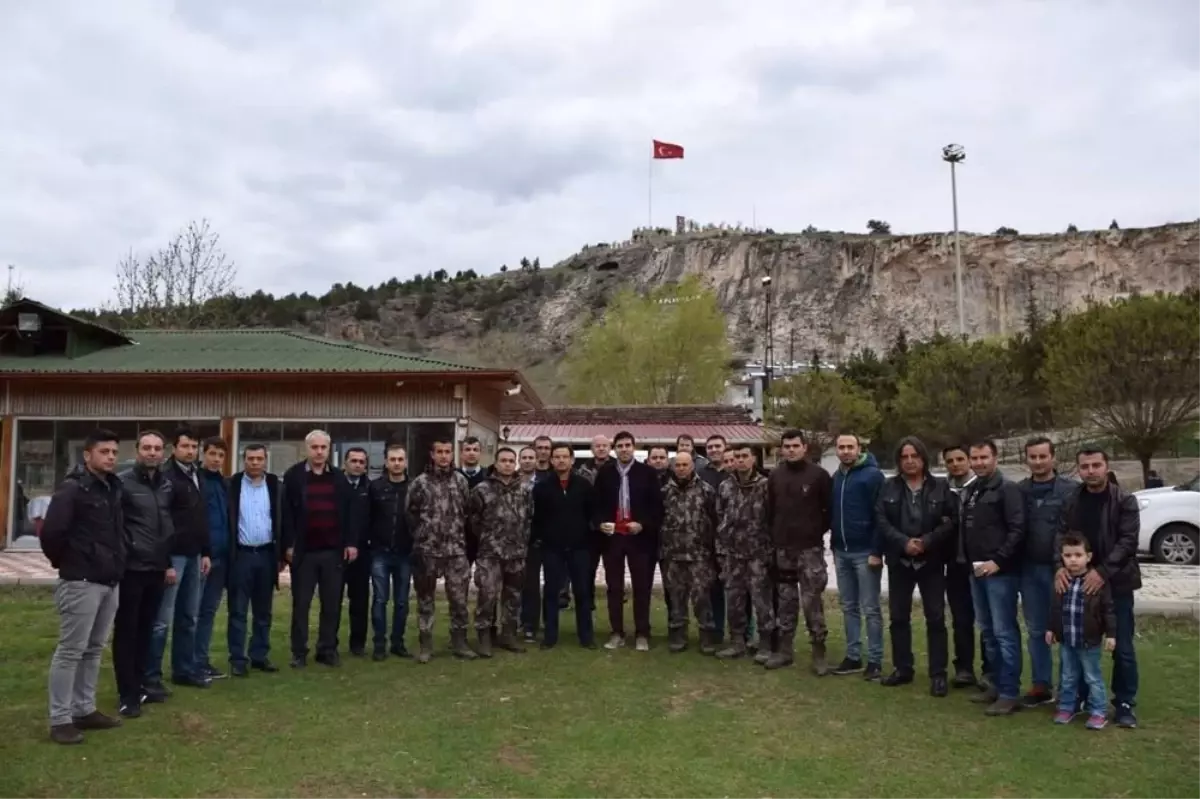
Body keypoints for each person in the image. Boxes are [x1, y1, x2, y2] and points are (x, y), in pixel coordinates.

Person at [41, 429, 125, 745]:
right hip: (81, 582)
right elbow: (51, 535)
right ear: (87, 455)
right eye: (104, 452)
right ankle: (60, 718)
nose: (111, 457)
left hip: (109, 580)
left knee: (93, 649)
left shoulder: (112, 488)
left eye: (114, 452)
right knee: (70, 650)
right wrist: (72, 564)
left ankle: (84, 709)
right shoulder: (72, 489)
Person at [1054, 447, 1141, 729]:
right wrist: (1059, 566)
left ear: (1106, 466)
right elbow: (1061, 536)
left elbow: (1128, 541)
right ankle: (1078, 697)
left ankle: (1125, 702)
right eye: (1085, 466)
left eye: (1096, 465)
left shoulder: (1124, 500)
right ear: (1078, 469)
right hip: (1077, 584)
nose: (1091, 471)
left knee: (1122, 646)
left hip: (1115, 582)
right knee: (1076, 643)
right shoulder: (1072, 500)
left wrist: (1101, 572)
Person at [875, 437, 956, 696]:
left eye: (914, 456)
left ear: (923, 458)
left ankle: (938, 674)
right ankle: (903, 668)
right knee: (898, 617)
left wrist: (927, 541)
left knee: (935, 618)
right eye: (904, 457)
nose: (910, 461)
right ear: (898, 460)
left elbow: (950, 520)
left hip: (931, 561)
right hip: (900, 560)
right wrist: (903, 542)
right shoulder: (888, 487)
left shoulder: (941, 487)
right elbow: (881, 519)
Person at [282, 430, 360, 669]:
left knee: (331, 604)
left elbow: (350, 514)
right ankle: (299, 652)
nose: (318, 452)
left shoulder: (339, 478)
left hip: (332, 552)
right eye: (314, 447)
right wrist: (288, 545)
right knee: (301, 605)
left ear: (329, 449)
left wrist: (351, 542)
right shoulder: (294, 476)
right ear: (307, 449)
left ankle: (327, 649)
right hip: (304, 553)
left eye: (323, 448)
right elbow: (286, 514)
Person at [113, 430, 175, 718]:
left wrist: (168, 561)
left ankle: (140, 685)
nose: (152, 452)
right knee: (127, 632)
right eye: (147, 448)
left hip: (157, 569)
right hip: (131, 569)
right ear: (137, 450)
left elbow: (167, 525)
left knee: (146, 631)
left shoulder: (165, 484)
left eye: (157, 448)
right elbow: (115, 526)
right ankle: (127, 695)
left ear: (164, 452)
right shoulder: (122, 483)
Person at [961, 440, 1025, 716]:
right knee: (987, 632)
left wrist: (998, 560)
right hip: (976, 571)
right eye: (974, 458)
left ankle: (1010, 692)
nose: (979, 462)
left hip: (1000, 573)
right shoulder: (973, 489)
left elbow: (1018, 529)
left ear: (995, 458)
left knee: (1004, 633)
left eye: (984, 457)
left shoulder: (1008, 489)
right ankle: (996, 685)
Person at [147, 427, 212, 691]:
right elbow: (160, 521)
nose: (190, 451)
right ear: (174, 449)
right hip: (173, 557)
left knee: (189, 616)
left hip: (195, 555)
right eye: (185, 446)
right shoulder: (166, 478)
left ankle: (184, 670)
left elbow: (201, 518)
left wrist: (206, 551)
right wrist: (165, 562)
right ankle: (151, 676)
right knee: (162, 620)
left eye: (194, 447)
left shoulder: (197, 476)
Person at [765, 429, 833, 673]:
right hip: (783, 550)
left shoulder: (820, 476)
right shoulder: (775, 476)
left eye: (795, 445)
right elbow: (770, 511)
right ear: (781, 449)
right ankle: (784, 651)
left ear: (805, 447)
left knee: (811, 601)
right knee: (786, 601)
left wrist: (813, 532)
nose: (791, 450)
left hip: (809, 550)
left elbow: (829, 512)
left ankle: (819, 653)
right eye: (787, 446)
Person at [1017, 436, 1077, 708]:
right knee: (1035, 630)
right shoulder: (1018, 491)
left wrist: (1066, 565)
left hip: (1062, 571)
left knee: (1066, 630)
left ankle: (1070, 688)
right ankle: (1041, 685)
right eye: (1033, 457)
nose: (1038, 462)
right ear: (1026, 459)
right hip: (1029, 570)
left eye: (1043, 456)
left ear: (1053, 457)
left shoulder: (1071, 490)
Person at [406, 437, 475, 663]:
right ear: (432, 455)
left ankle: (459, 642)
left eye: (447, 451)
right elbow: (410, 513)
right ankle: (426, 645)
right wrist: (423, 535)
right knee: (425, 600)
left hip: (455, 551)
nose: (444, 456)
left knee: (459, 600)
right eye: (440, 452)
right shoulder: (420, 483)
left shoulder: (461, 482)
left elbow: (467, 512)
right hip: (427, 551)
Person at [594, 431, 662, 652]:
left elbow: (657, 508)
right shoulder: (605, 473)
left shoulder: (647, 473)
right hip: (613, 538)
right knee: (614, 587)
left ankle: (642, 632)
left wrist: (642, 524)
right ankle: (616, 632)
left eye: (627, 445)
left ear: (634, 447)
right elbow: (595, 505)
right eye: (620, 446)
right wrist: (600, 523)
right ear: (614, 449)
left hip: (639, 539)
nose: (624, 449)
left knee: (641, 587)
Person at [829, 433, 885, 680]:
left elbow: (881, 516)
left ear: (859, 448)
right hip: (841, 551)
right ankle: (853, 655)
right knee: (848, 606)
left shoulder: (873, 476)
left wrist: (876, 550)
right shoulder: (837, 477)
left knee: (870, 608)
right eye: (841, 447)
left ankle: (875, 659)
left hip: (865, 552)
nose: (845, 451)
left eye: (850, 447)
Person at [1046, 534, 1116, 730]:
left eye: (1078, 555)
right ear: (1062, 557)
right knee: (1067, 676)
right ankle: (1067, 707)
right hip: (1067, 640)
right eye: (1068, 555)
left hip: (1089, 641)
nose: (1073, 559)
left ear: (1089, 556)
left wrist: (1111, 634)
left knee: (1092, 677)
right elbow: (1055, 608)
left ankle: (1098, 712)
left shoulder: (1097, 583)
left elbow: (1108, 610)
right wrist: (1051, 628)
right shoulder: (1062, 581)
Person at [469, 447, 533, 656]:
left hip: (516, 553)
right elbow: (473, 520)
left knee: (513, 596)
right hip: (490, 553)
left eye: (510, 460)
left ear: (515, 464)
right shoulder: (482, 489)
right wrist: (489, 539)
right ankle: (485, 636)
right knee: (487, 596)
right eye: (503, 460)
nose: (507, 464)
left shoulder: (524, 490)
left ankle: (509, 635)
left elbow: (529, 518)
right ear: (495, 464)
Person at [532, 444, 596, 649]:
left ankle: (586, 637)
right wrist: (540, 538)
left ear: (572, 460)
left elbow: (591, 514)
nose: (560, 460)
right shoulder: (542, 487)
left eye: (564, 457)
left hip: (580, 547)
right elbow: (537, 517)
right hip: (552, 548)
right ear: (551, 460)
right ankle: (550, 636)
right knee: (551, 591)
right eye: (556, 457)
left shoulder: (584, 485)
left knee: (583, 592)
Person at [227, 444, 282, 677]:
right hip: (242, 555)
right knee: (238, 610)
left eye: (259, 458)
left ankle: (259, 655)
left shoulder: (275, 485)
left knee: (263, 611)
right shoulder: (232, 484)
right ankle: (238, 658)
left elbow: (282, 518)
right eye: (251, 458)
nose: (255, 463)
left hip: (267, 554)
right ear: (244, 460)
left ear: (265, 460)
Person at [715, 446, 773, 661]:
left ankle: (765, 644)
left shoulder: (765, 486)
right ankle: (737, 642)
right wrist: (721, 551)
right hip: (733, 555)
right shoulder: (725, 486)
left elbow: (773, 519)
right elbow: (720, 519)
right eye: (736, 457)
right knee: (734, 601)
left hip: (759, 555)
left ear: (753, 458)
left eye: (744, 456)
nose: (740, 461)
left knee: (761, 602)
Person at [659, 451, 719, 654]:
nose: (682, 468)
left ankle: (707, 637)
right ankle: (678, 636)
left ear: (693, 466)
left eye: (686, 464)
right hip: (673, 555)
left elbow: (715, 520)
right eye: (678, 465)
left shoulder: (706, 490)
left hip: (699, 555)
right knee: (676, 598)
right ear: (673, 467)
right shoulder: (665, 491)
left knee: (702, 597)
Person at [942, 444, 986, 688]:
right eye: (950, 460)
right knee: (961, 619)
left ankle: (990, 670)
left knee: (986, 621)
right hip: (954, 564)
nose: (956, 464)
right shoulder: (942, 489)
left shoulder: (981, 487)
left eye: (960, 459)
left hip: (979, 563)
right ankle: (964, 668)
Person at [366, 443, 414, 660]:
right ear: (386, 462)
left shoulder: (414, 488)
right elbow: (367, 518)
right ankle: (379, 644)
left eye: (400, 459)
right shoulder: (375, 487)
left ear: (405, 462)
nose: (396, 463)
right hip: (380, 552)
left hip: (405, 552)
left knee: (402, 601)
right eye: (392, 459)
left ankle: (398, 642)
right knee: (380, 599)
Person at [195, 437, 230, 680]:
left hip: (222, 558)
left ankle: (202, 659)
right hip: (201, 557)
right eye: (212, 454)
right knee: (191, 613)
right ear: (203, 454)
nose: (216, 459)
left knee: (208, 612)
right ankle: (188, 662)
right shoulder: (197, 482)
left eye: (220, 455)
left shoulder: (225, 484)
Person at [340, 447, 372, 657]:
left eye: (362, 462)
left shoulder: (371, 488)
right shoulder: (335, 485)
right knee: (332, 600)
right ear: (345, 462)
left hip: (363, 552)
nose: (358, 465)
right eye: (354, 461)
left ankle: (357, 644)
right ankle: (328, 644)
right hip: (337, 551)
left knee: (360, 600)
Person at [698, 435, 730, 644]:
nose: (714, 450)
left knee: (739, 590)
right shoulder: (700, 475)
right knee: (711, 588)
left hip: (734, 541)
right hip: (707, 541)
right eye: (710, 447)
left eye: (718, 446)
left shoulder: (734, 472)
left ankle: (744, 633)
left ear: (725, 448)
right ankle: (714, 630)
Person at [518, 446, 545, 643]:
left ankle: (530, 625)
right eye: (524, 457)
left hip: (534, 541)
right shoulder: (510, 482)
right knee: (510, 585)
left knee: (531, 584)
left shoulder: (544, 484)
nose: (527, 461)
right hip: (509, 541)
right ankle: (511, 622)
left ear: (537, 461)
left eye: (531, 458)